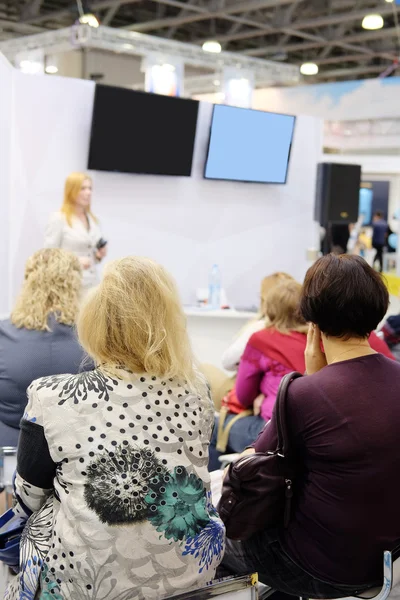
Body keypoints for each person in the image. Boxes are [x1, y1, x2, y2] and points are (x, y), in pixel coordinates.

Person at [8, 257, 225, 600]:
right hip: (190, 579)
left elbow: (28, 496)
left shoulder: (52, 396)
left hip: (86, 586)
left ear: (94, 323)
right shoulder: (198, 389)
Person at [222, 254, 400, 598]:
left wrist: (311, 378)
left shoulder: (304, 392)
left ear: (313, 320)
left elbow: (253, 462)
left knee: (217, 542)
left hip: (322, 569)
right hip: (389, 560)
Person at [208, 280, 307, 471]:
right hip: (309, 436)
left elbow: (244, 395)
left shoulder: (262, 339)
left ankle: (216, 495)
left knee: (213, 427)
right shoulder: (318, 340)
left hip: (272, 434)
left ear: (269, 308)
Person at [0, 248, 93, 447]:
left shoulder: (3, 334)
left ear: (28, 283)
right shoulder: (95, 338)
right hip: (78, 452)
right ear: (75, 284)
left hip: (11, 452)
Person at [44, 172, 107, 292]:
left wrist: (98, 256)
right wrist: (75, 261)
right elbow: (48, 256)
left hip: (92, 284)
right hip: (68, 286)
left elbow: (89, 255)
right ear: (71, 191)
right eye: (82, 188)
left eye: (90, 188)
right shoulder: (58, 218)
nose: (88, 193)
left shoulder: (92, 219)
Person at [221, 272, 293, 372]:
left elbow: (227, 362)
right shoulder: (306, 330)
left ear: (265, 299)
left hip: (251, 384)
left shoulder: (260, 328)